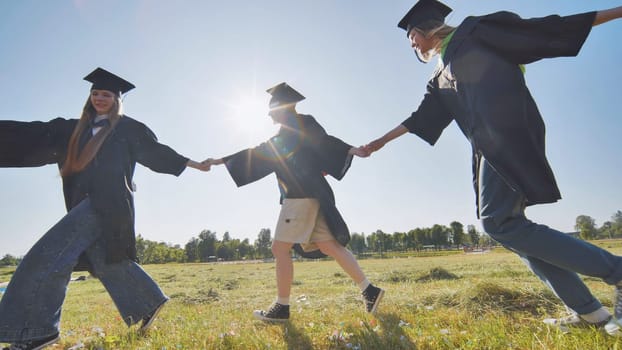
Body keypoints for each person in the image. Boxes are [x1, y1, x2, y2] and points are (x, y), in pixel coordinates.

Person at [363, 0, 622, 335]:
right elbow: (421, 119)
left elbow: (544, 29)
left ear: (425, 29)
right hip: (487, 148)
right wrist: (379, 142)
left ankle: (615, 271)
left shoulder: (476, 31)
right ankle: (589, 313)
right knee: (511, 229)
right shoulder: (440, 74)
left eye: (411, 36)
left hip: (510, 134)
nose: (411, 44)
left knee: (498, 222)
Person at [0, 67, 209, 350]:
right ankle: (146, 303)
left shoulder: (127, 129)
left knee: (47, 256)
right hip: (82, 204)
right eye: (96, 93)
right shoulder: (72, 129)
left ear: (116, 99)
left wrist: (193, 163)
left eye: (106, 94)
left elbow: (156, 152)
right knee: (105, 257)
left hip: (108, 204)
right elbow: (31, 133)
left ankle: (37, 331)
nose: (100, 98)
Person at [205, 82, 384, 322]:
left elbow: (323, 142)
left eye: (272, 108)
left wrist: (353, 150)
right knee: (329, 245)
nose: (269, 113)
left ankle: (282, 307)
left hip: (300, 196)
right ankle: (369, 290)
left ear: (283, 107)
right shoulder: (289, 131)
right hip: (312, 195)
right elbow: (296, 148)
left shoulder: (297, 127)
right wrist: (221, 160)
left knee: (279, 249)